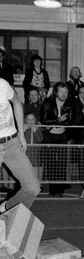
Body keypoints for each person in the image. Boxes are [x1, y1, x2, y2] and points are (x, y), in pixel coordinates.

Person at [0, 78, 40, 215]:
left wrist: (21, 134)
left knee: (32, 188)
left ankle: (5, 209)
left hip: (12, 143)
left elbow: (16, 102)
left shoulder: (2, 84)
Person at [39, 82, 73, 197]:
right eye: (61, 91)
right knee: (51, 162)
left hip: (62, 135)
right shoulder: (48, 102)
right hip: (49, 136)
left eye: (66, 92)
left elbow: (70, 120)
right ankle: (53, 189)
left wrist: (59, 122)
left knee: (63, 162)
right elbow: (43, 121)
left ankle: (60, 188)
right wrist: (58, 120)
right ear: (56, 92)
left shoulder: (69, 102)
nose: (64, 94)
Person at [23, 112, 44, 183]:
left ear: (35, 120)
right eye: (29, 119)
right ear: (25, 120)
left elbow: (40, 139)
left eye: (32, 119)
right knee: (26, 168)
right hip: (26, 151)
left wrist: (35, 130)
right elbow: (19, 140)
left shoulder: (37, 127)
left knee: (35, 167)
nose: (31, 121)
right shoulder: (23, 127)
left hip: (35, 151)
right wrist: (23, 130)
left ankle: (36, 184)